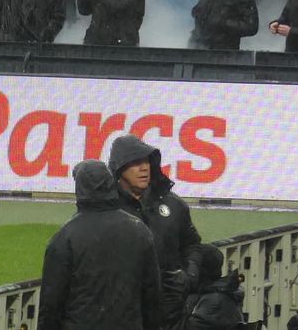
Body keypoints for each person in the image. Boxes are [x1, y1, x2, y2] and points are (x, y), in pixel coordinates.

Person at [38, 159, 162, 330]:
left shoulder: (65, 237)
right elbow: (152, 295)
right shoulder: (139, 230)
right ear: (111, 185)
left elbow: (51, 304)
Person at [109, 133, 208, 324]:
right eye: (136, 162)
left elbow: (192, 244)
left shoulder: (174, 205)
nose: (144, 167)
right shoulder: (108, 209)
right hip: (125, 312)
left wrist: (189, 276)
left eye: (146, 161)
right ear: (120, 169)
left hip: (171, 310)